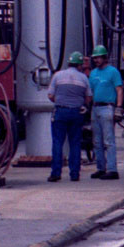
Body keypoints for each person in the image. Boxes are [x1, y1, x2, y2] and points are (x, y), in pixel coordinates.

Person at [46, 51, 92, 182]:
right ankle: (74, 174)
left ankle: (55, 173)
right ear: (79, 65)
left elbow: (50, 95)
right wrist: (79, 103)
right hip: (76, 113)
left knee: (57, 142)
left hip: (60, 111)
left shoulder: (58, 75)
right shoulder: (83, 78)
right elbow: (88, 97)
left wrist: (61, 102)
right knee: (75, 143)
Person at [88, 45, 123, 180]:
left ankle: (112, 170)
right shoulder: (93, 73)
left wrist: (118, 107)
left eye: (98, 58)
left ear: (104, 58)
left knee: (108, 141)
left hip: (107, 108)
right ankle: (101, 168)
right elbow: (90, 91)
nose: (96, 60)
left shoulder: (113, 72)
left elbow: (119, 89)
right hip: (95, 108)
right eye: (94, 58)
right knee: (97, 141)